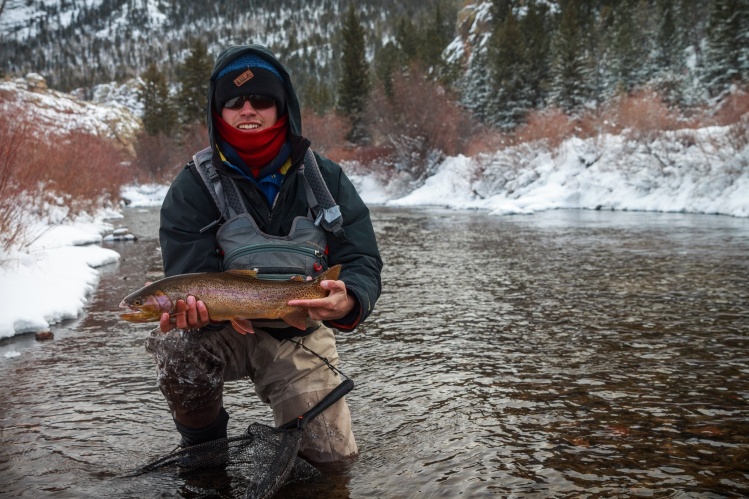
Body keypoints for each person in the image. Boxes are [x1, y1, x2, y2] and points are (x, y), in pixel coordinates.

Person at [144, 44, 382, 464]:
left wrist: (349, 298)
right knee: (176, 348)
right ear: (219, 112)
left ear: (282, 107)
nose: (248, 109)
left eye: (262, 100)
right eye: (234, 101)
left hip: (299, 331)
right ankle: (205, 450)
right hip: (223, 333)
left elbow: (362, 258)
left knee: (331, 464)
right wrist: (194, 315)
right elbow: (190, 273)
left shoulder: (324, 179)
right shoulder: (193, 186)